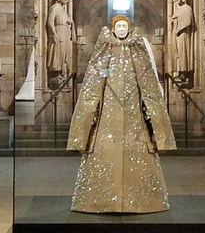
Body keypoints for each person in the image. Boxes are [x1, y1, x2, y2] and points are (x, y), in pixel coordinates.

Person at [67, 15, 176, 213]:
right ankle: (102, 200)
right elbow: (94, 80)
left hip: (134, 111)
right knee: (104, 150)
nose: (122, 29)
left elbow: (147, 79)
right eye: (118, 26)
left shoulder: (138, 49)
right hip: (109, 110)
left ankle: (140, 200)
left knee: (138, 151)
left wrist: (152, 112)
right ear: (113, 29)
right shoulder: (104, 49)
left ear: (130, 28)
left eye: (125, 26)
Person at [45, 0, 73, 86]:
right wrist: (54, 34)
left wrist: (69, 22)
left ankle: (62, 73)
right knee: (57, 53)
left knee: (64, 54)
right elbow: (50, 22)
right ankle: (56, 74)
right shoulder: (54, 7)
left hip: (65, 33)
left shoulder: (63, 10)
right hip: (58, 33)